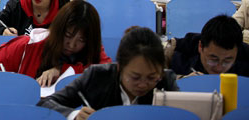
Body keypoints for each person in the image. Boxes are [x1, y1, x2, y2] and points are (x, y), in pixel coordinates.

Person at [38, 27, 179, 119]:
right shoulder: (97, 76)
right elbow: (46, 104)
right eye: (135, 77)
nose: (143, 84)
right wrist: (74, 115)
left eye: (152, 77)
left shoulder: (166, 81)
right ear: (119, 67)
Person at [0, 0, 110, 86]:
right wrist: (2, 83)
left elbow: (108, 78)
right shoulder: (30, 45)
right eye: (68, 36)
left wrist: (62, 70)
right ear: (58, 30)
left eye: (81, 40)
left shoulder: (94, 52)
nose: (72, 45)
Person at [166, 15, 249, 77]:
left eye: (227, 61)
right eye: (213, 60)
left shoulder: (245, 59)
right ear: (200, 46)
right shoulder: (177, 54)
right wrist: (183, 79)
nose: (219, 68)